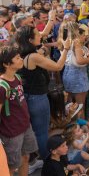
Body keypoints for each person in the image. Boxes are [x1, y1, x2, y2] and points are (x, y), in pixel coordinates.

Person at [15, 26, 70, 160]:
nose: (40, 35)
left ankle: (36, 156)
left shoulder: (21, 53)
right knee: (41, 132)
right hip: (37, 98)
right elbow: (58, 66)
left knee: (35, 130)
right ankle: (46, 159)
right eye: (37, 34)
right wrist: (66, 49)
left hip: (27, 96)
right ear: (29, 39)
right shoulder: (33, 57)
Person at [0, 46, 38, 176]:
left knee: (26, 157)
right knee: (11, 167)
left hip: (25, 126)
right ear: (6, 63)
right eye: (17, 58)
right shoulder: (2, 86)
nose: (21, 59)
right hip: (11, 133)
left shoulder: (17, 77)